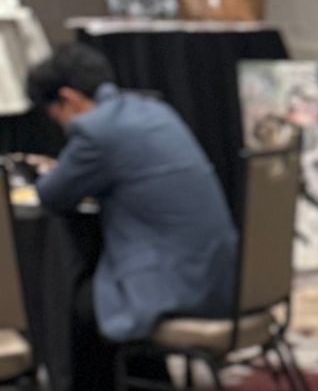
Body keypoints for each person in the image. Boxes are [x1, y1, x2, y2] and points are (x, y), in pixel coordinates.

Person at [25, 41, 237, 341]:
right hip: (222, 279)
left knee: (69, 296)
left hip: (173, 286)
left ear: (68, 98)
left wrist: (52, 171)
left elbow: (52, 196)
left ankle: (99, 376)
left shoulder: (95, 131)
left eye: (54, 115)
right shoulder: (155, 110)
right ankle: (144, 374)